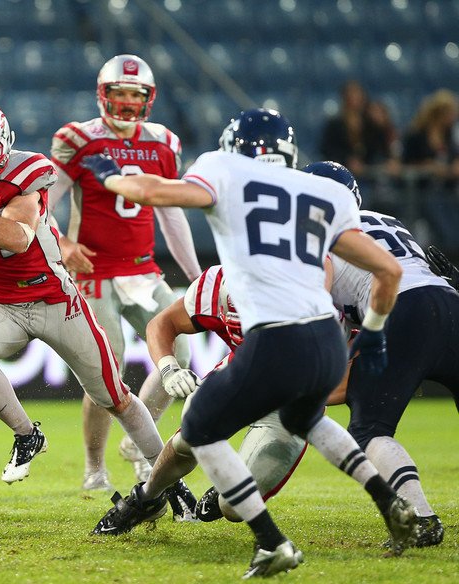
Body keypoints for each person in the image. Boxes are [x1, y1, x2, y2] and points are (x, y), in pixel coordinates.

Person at [80, 108, 416, 578]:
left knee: (199, 427)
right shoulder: (325, 193)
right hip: (324, 338)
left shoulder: (226, 171)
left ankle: (271, 542)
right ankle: (389, 503)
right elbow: (390, 270)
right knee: (308, 418)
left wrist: (112, 178)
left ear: (234, 149)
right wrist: (375, 335)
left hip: (275, 338)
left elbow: (153, 192)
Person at [0, 99, 170, 494]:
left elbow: (17, 238)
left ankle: (169, 479)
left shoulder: (28, 170)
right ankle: (26, 434)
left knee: (114, 396)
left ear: (1, 144)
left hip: (53, 300)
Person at [47, 54, 202, 493]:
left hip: (141, 270)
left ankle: (138, 440)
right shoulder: (79, 139)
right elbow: (40, 205)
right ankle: (94, 466)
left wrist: (197, 276)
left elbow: (171, 215)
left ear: (148, 99)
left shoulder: (163, 143)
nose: (129, 102)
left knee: (181, 352)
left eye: (137, 94)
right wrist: (63, 245)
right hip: (93, 271)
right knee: (106, 369)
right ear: (104, 94)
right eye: (121, 93)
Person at [310, 160, 459, 547]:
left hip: (403, 310)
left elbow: (330, 358)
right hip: (450, 300)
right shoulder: (386, 220)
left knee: (369, 429)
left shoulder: (316, 239)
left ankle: (422, 519)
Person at [108, 264, 310, 525]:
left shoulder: (312, 296)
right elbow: (162, 323)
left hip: (292, 401)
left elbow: (345, 372)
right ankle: (146, 498)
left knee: (234, 508)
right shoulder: (216, 286)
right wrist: (169, 369)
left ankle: (230, 489)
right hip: (240, 378)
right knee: (189, 437)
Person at [401, 88, 459, 188]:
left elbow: (453, 156)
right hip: (420, 189)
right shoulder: (415, 134)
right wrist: (428, 167)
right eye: (451, 113)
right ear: (440, 113)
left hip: (446, 189)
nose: (454, 117)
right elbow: (404, 164)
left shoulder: (448, 134)